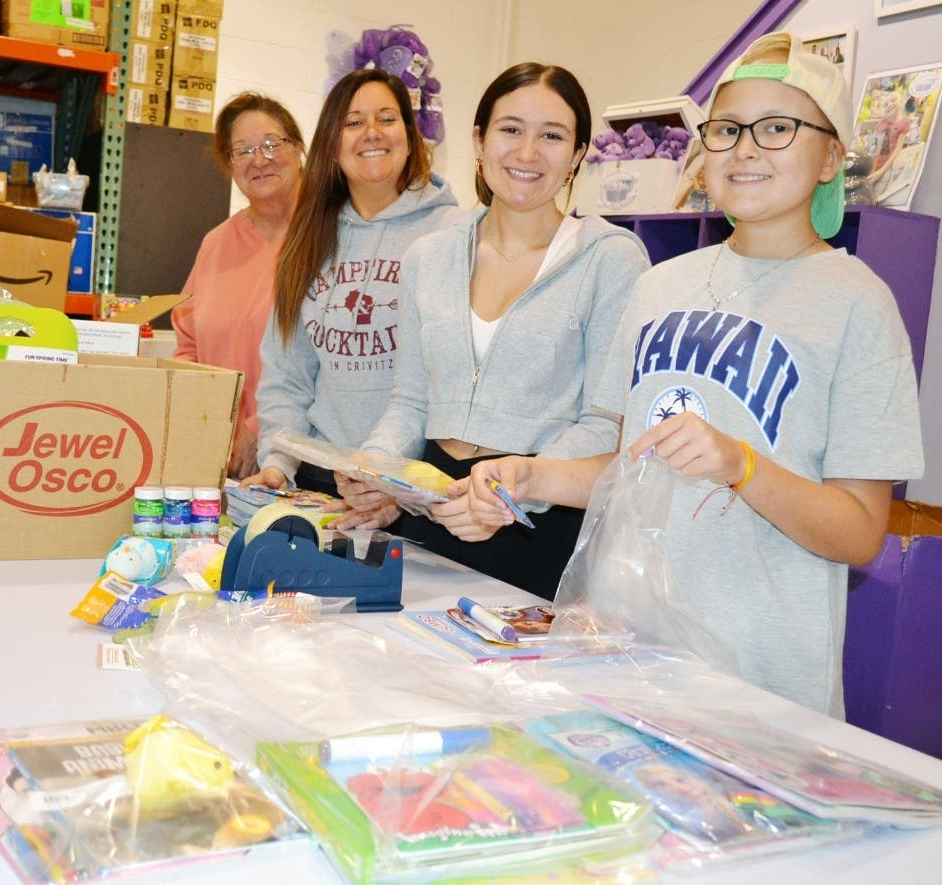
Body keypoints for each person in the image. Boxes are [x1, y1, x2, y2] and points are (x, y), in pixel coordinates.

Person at [462, 33, 923, 716]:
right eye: (727, 129)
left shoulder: (858, 301)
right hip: (625, 654)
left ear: (830, 155)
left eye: (776, 128)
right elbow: (632, 466)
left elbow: (859, 531)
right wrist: (534, 476)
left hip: (759, 684)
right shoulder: (659, 284)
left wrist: (740, 462)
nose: (744, 149)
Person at [334, 63, 650, 599]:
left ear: (576, 154)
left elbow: (607, 422)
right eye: (510, 129)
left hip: (540, 524)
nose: (527, 152)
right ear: (479, 140)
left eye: (551, 135)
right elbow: (411, 401)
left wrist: (513, 491)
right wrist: (375, 463)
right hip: (434, 513)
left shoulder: (612, 260)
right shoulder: (428, 257)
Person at [246, 68, 462, 496]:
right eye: (353, 122)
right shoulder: (307, 240)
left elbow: (452, 380)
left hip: (411, 485)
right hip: (319, 479)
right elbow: (288, 377)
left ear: (409, 134)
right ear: (332, 142)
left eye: (387, 118)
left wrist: (390, 474)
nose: (372, 133)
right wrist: (277, 463)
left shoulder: (454, 233)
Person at [172, 92, 305, 479]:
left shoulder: (328, 237)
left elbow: (332, 364)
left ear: (297, 148)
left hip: (302, 459)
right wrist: (219, 425)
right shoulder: (215, 243)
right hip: (218, 453)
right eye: (242, 150)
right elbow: (188, 348)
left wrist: (257, 428)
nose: (259, 159)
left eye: (270, 144)